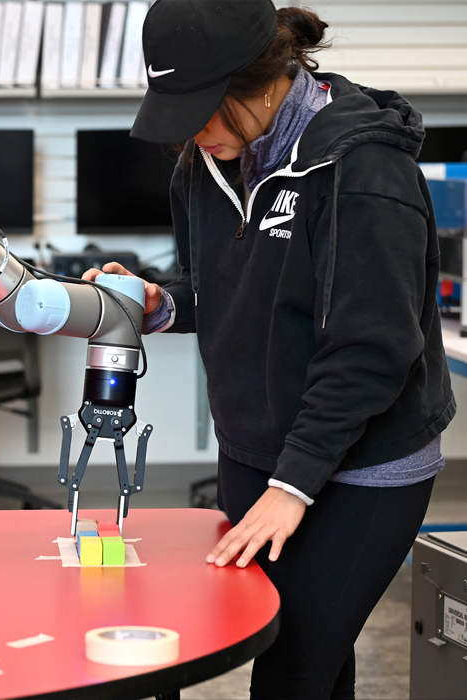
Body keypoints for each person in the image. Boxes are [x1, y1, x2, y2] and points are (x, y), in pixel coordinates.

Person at [82, 1, 456, 698]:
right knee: (312, 657)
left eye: (205, 108)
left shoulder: (363, 166)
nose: (192, 131)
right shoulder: (201, 165)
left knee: (292, 669)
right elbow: (224, 288)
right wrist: (162, 302)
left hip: (365, 465)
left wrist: (293, 486)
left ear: (262, 81)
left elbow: (372, 348)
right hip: (255, 449)